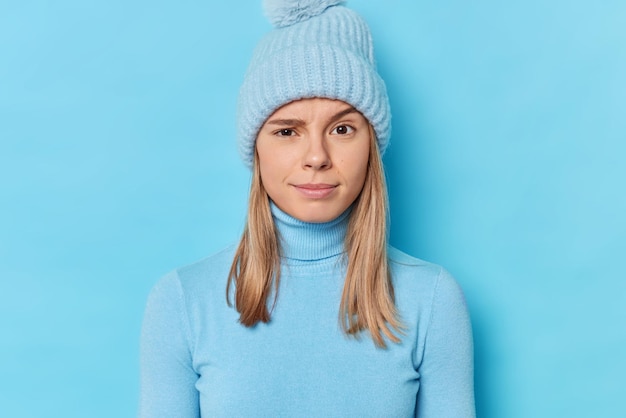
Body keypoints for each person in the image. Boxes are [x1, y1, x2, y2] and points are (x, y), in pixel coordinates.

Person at [139, 1, 475, 416]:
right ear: (256, 149)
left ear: (371, 146)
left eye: (342, 128)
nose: (316, 156)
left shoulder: (432, 300)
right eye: (287, 131)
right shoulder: (181, 301)